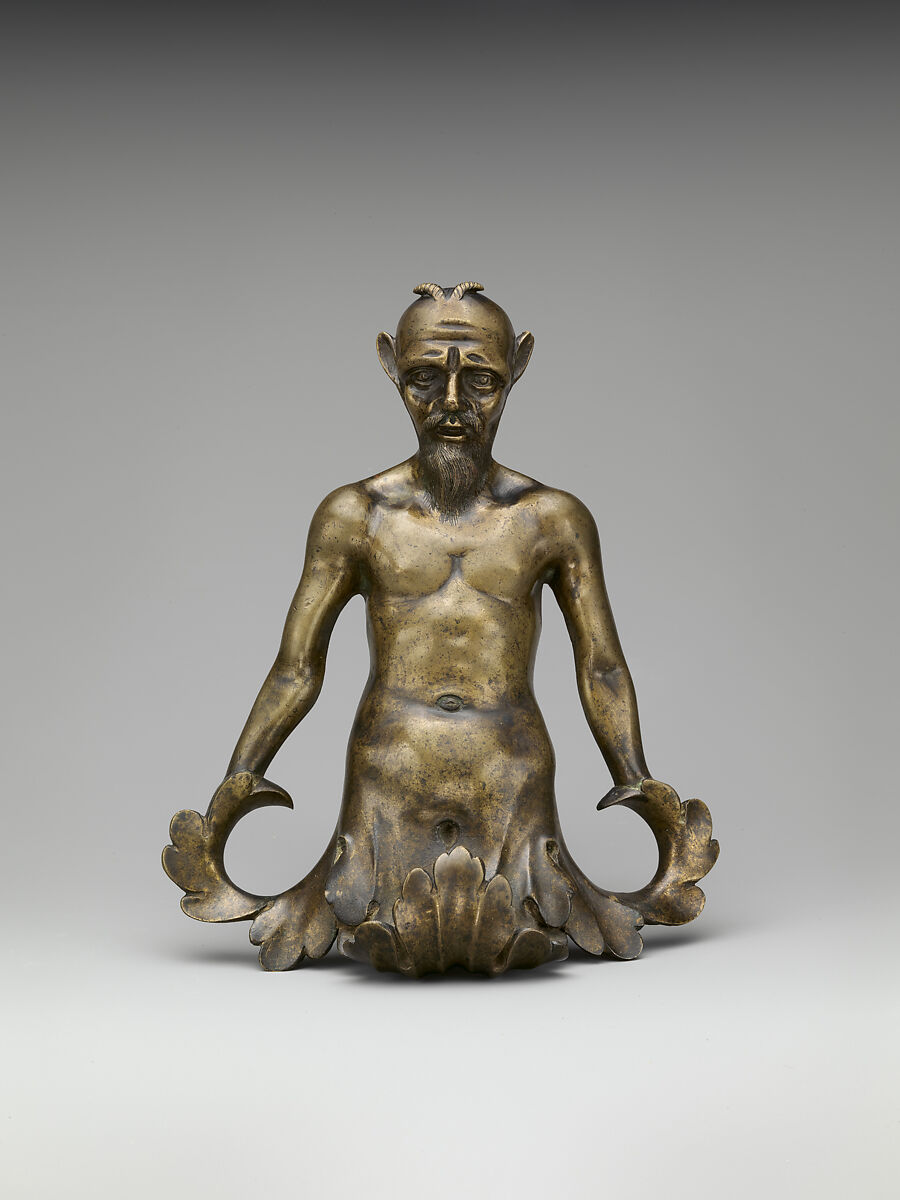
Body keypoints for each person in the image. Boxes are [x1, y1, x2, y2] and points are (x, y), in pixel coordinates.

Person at [164, 283, 717, 975]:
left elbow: (600, 665)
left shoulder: (552, 519)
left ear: (517, 368)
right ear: (390, 366)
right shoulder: (356, 515)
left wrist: (636, 779)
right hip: (388, 777)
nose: (452, 403)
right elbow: (297, 668)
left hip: (511, 778)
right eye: (425, 377)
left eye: (480, 380)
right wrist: (239, 779)